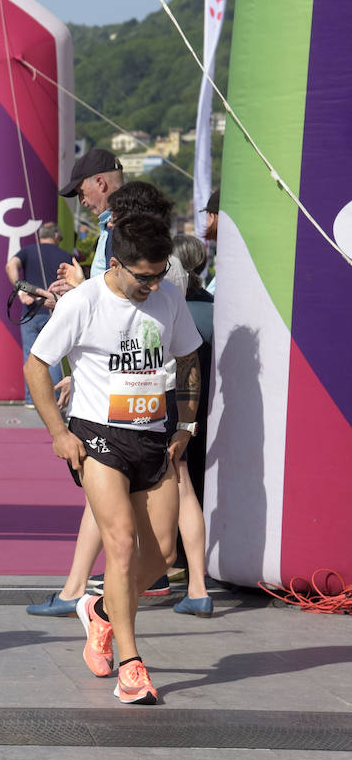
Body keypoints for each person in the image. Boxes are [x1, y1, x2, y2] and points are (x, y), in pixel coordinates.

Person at [26, 213, 202, 705]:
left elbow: (187, 359)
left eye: (160, 273)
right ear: (117, 263)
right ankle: (131, 665)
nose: (153, 284)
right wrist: (59, 433)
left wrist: (186, 425)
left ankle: (102, 611)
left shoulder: (168, 297)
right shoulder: (84, 302)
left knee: (163, 555)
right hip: (97, 436)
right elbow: (36, 364)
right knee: (121, 545)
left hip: (155, 436)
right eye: (143, 275)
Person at [168, 233, 215, 617]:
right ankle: (197, 585)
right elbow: (191, 366)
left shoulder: (155, 298)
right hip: (184, 407)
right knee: (184, 490)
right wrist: (188, 421)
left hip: (145, 404)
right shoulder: (203, 308)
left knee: (134, 494)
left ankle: (152, 574)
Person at [5, 222, 72, 405]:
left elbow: (11, 265)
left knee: (31, 355)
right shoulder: (66, 255)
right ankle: (56, 399)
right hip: (55, 311)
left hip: (30, 312)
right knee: (54, 357)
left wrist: (20, 291)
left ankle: (31, 399)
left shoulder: (27, 251)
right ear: (57, 236)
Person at [50, 149, 125, 296]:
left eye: (81, 192)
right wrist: (81, 287)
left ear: (100, 183)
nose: (81, 201)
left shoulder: (122, 226)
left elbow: (117, 297)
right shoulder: (115, 223)